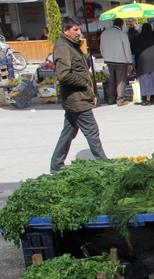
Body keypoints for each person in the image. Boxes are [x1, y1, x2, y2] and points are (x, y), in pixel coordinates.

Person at [50, 16, 107, 174]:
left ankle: (56, 164)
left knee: (68, 132)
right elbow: (63, 75)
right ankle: (104, 163)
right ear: (65, 31)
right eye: (75, 29)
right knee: (92, 131)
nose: (79, 32)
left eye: (79, 29)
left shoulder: (71, 45)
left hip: (76, 98)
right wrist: (84, 83)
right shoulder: (63, 47)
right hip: (76, 98)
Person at [100, 18, 133, 106]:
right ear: (121, 25)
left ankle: (111, 99)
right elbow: (127, 49)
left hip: (109, 60)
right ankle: (120, 99)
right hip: (120, 60)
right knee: (121, 80)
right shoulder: (122, 34)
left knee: (112, 79)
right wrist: (129, 61)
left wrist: (104, 57)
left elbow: (101, 47)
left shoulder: (104, 33)